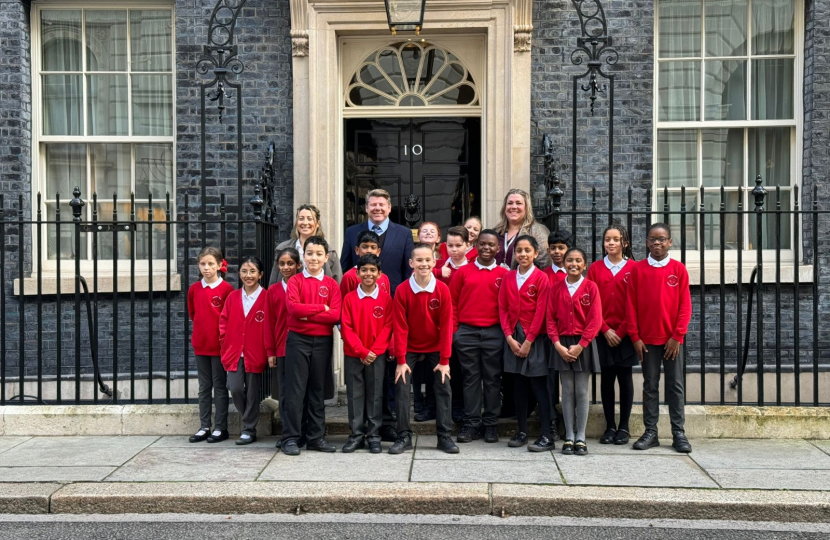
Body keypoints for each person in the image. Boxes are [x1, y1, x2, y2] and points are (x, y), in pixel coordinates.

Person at [341, 189, 415, 443]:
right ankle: (361, 429)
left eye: (382, 205)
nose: (377, 209)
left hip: (390, 313)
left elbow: (408, 273)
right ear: (366, 207)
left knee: (386, 377)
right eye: (373, 205)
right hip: (360, 315)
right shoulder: (352, 233)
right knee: (364, 382)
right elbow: (345, 269)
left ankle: (385, 424)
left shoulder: (403, 234)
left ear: (389, 207)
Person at [627, 223, 693, 454]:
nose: (657, 243)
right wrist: (635, 336)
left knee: (675, 386)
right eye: (653, 239)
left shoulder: (678, 269)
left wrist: (677, 336)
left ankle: (678, 433)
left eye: (662, 239)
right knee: (650, 385)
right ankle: (650, 432)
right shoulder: (637, 269)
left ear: (670, 242)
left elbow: (685, 306)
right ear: (646, 242)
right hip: (646, 340)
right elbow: (630, 306)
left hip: (672, 341)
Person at [390, 243, 458, 455]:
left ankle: (444, 436)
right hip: (409, 346)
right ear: (411, 263)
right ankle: (403, 436)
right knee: (401, 384)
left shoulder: (442, 290)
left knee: (443, 385)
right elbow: (400, 327)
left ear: (434, 262)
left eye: (427, 260)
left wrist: (445, 360)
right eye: (419, 260)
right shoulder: (402, 290)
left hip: (435, 346)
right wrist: (401, 360)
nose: (423, 264)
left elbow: (447, 327)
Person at [281, 236, 343, 456]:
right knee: (295, 391)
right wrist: (321, 309)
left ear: (326, 257)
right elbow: (294, 311)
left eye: (318, 254)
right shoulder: (295, 281)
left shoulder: (332, 284)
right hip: (298, 340)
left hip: (323, 342)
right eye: (309, 253)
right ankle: (291, 437)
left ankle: (316, 437)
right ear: (303, 257)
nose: (314, 258)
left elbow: (335, 314)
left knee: (317, 389)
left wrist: (309, 314)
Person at [451, 229, 508, 444]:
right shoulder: (463, 272)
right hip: (466, 333)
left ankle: (491, 424)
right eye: (482, 244)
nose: (486, 248)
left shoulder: (504, 275)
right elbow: (453, 303)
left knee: (493, 379)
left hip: (494, 332)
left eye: (491, 245)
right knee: (470, 379)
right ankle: (472, 423)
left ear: (498, 248)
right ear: (476, 246)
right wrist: (456, 332)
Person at [499, 235, 553, 451]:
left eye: (527, 250)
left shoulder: (541, 278)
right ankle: (521, 431)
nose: (522, 254)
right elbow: (502, 308)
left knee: (539, 387)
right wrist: (509, 338)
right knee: (518, 386)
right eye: (518, 251)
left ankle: (547, 434)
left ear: (535, 253)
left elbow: (542, 311)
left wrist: (529, 340)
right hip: (513, 335)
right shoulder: (508, 277)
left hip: (535, 338)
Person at [586, 224, 637, 446]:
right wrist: (605, 329)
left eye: (616, 239)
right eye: (608, 239)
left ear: (624, 242)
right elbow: (592, 303)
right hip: (603, 333)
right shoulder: (596, 269)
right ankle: (609, 426)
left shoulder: (634, 268)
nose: (612, 243)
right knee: (606, 379)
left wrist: (623, 330)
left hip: (626, 333)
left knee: (625, 379)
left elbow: (636, 303)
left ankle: (624, 427)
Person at [548, 248, 602, 456]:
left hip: (583, 344)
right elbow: (550, 319)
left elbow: (595, 319)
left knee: (581, 390)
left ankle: (581, 436)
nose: (573, 264)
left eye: (578, 261)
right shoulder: (555, 288)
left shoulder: (591, 287)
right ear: (564, 264)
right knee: (567, 390)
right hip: (562, 344)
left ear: (584, 265)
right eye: (569, 260)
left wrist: (582, 344)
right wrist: (557, 344)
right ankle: (569, 435)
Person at [218, 256, 275, 445]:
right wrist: (224, 343)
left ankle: (249, 429)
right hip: (234, 352)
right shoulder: (233, 297)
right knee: (234, 387)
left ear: (260, 275)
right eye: (244, 271)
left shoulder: (267, 297)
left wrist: (269, 352)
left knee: (252, 392)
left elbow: (270, 326)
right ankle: (249, 419)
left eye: (252, 271)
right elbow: (224, 322)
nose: (248, 275)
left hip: (255, 353)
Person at [340, 254, 393, 454]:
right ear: (357, 273)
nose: (368, 274)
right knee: (355, 395)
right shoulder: (349, 298)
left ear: (379, 274)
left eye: (372, 270)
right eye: (364, 270)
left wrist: (374, 351)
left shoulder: (386, 299)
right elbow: (346, 327)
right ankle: (356, 435)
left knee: (375, 395)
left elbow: (388, 326)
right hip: (354, 354)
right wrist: (361, 351)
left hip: (377, 355)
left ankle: (374, 436)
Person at [187, 247, 234, 444]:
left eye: (211, 264)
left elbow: (229, 320)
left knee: (220, 387)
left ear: (219, 265)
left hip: (219, 348)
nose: (206, 268)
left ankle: (221, 427)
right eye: (203, 264)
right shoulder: (194, 289)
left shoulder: (227, 290)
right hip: (201, 346)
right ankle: (204, 425)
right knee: (204, 387)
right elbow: (193, 314)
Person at [267, 248, 307, 449]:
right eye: (282, 264)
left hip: (302, 346)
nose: (286, 267)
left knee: (303, 391)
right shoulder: (273, 291)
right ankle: (286, 432)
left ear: (299, 265)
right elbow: (269, 323)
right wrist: (271, 351)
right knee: (284, 393)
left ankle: (303, 431)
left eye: (290, 263)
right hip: (281, 348)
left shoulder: (303, 285)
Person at [270, 204, 342, 286]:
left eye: (309, 219)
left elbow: (338, 283)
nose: (305, 222)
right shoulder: (282, 249)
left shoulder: (330, 251)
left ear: (318, 223)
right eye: (301, 219)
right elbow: (273, 282)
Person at [493, 189, 551, 270]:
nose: (513, 207)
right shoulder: (496, 231)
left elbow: (544, 262)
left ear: (526, 207)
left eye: (518, 203)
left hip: (523, 281)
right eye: (510, 203)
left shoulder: (538, 231)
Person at [340, 230, 391, 297]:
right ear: (357, 250)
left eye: (373, 247)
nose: (369, 251)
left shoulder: (384, 278)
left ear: (378, 251)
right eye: (365, 247)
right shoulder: (348, 276)